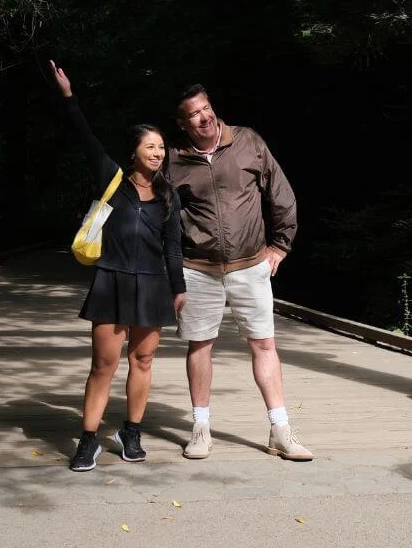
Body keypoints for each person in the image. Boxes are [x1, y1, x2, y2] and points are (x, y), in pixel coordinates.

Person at [51, 61, 187, 471]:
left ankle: (131, 430)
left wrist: (178, 288)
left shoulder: (168, 196)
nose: (158, 153)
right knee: (103, 365)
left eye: (162, 147)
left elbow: (173, 248)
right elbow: (85, 136)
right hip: (111, 280)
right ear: (134, 152)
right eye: (151, 146)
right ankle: (89, 439)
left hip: (152, 286)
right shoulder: (112, 180)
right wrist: (69, 96)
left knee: (143, 362)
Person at [167, 84, 312, 461]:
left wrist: (280, 246)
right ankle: (200, 427)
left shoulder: (248, 141)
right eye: (195, 114)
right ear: (183, 123)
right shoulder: (174, 160)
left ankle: (280, 429)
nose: (205, 116)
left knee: (264, 344)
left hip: (250, 265)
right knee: (200, 345)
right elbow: (161, 217)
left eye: (207, 108)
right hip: (197, 269)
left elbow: (281, 194)